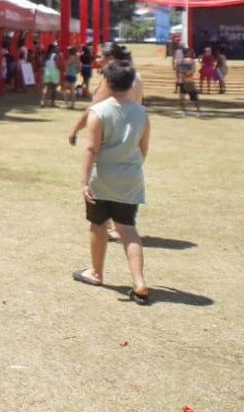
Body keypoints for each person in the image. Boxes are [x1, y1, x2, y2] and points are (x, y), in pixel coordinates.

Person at [72, 59, 151, 305]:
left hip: (102, 177)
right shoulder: (141, 112)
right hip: (130, 177)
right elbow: (143, 147)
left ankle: (96, 271)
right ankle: (139, 282)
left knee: (98, 224)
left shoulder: (99, 111)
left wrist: (84, 180)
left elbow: (91, 148)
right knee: (127, 228)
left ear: (106, 81)